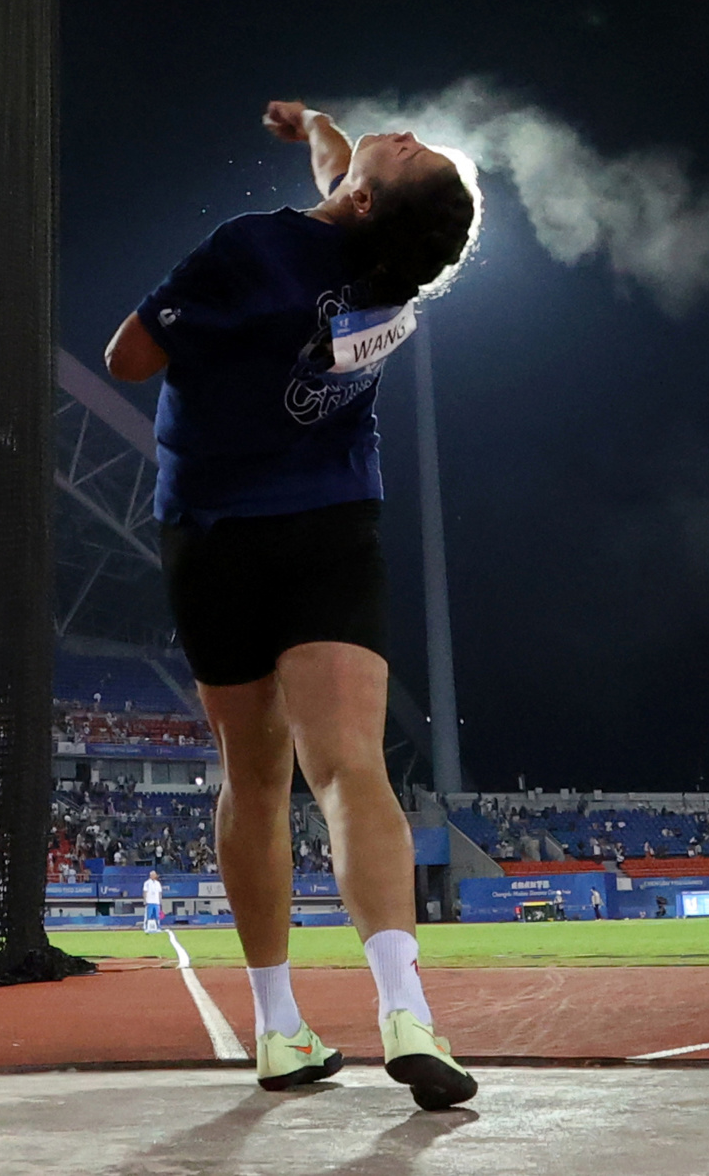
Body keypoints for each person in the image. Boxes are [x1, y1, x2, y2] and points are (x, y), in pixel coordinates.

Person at [106, 99, 481, 1110]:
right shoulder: (392, 270)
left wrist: (217, 334)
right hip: (328, 527)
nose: (394, 130)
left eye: (404, 148)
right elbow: (342, 183)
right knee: (352, 767)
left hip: (216, 530)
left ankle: (277, 1028)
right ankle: (407, 1009)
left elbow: (126, 359)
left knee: (253, 780)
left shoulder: (252, 249)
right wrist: (318, 121)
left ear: (361, 195)